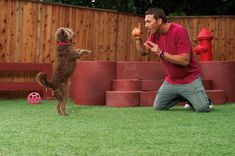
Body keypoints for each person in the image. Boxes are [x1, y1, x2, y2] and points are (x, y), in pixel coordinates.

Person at [132, 8, 213, 112]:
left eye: (149, 21)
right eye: (145, 22)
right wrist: (138, 39)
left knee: (203, 108)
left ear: (159, 21)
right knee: (158, 107)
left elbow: (184, 61)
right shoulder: (154, 34)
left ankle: (203, 100)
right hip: (172, 81)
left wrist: (161, 53)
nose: (146, 25)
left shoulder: (179, 31)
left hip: (189, 79)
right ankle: (186, 97)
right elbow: (143, 52)